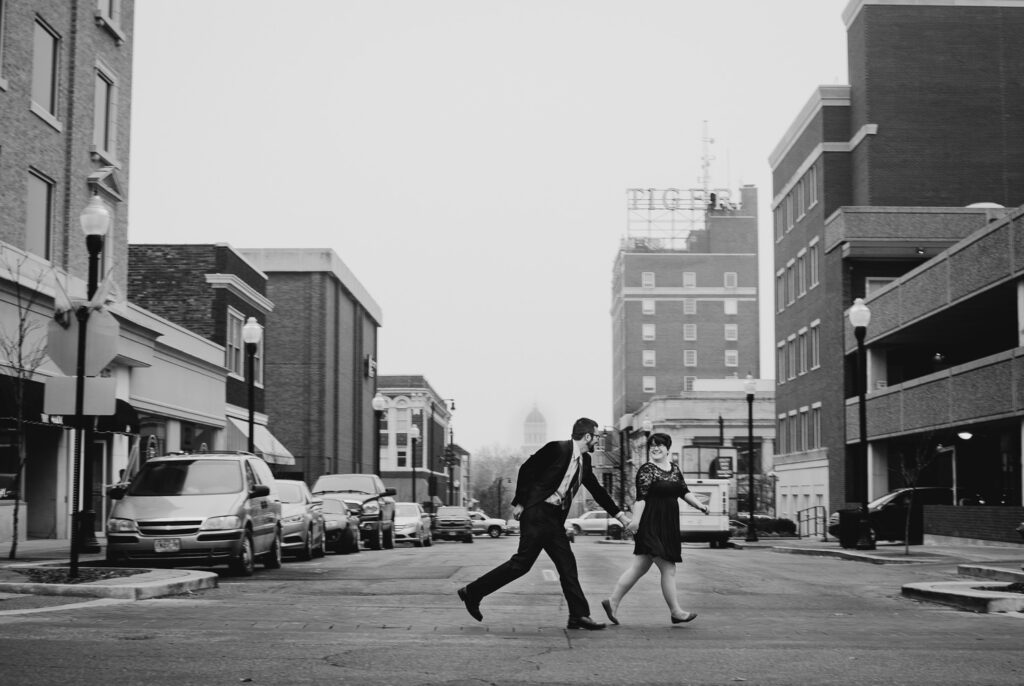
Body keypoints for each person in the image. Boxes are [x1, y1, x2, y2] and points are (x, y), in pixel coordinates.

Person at [457, 417, 630, 630]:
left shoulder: (584, 462)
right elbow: (527, 469)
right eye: (596, 436)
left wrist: (621, 517)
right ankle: (472, 592)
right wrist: (520, 502)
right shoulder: (557, 449)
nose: (597, 440)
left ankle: (578, 615)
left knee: (567, 565)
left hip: (553, 519)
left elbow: (598, 491)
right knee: (521, 564)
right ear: (587, 436)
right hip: (537, 513)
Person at [601, 432, 708, 626]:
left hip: (668, 526)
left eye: (659, 445)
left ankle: (612, 601)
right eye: (652, 445)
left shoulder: (674, 469)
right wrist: (635, 522)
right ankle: (676, 611)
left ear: (668, 449)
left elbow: (684, 491)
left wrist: (699, 505)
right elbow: (641, 499)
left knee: (639, 568)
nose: (655, 448)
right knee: (668, 568)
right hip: (651, 525)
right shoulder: (647, 470)